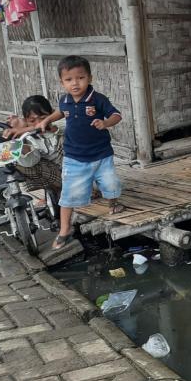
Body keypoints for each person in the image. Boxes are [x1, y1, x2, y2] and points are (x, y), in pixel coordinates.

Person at [36, 56, 123, 250]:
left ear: (89, 78)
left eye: (80, 78)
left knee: (110, 183)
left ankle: (113, 204)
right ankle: (64, 230)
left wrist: (105, 123)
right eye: (69, 79)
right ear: (62, 82)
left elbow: (116, 115)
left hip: (101, 154)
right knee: (68, 193)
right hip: (74, 156)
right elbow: (61, 111)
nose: (75, 83)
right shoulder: (65, 100)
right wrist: (47, 120)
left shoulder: (98, 99)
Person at [3, 95, 64, 201]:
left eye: (43, 118)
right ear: (26, 120)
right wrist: (20, 139)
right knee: (18, 165)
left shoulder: (60, 126)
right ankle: (53, 193)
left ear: (52, 114)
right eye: (32, 121)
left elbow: (64, 113)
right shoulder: (28, 137)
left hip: (71, 173)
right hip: (51, 177)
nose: (39, 124)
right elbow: (30, 162)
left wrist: (27, 128)